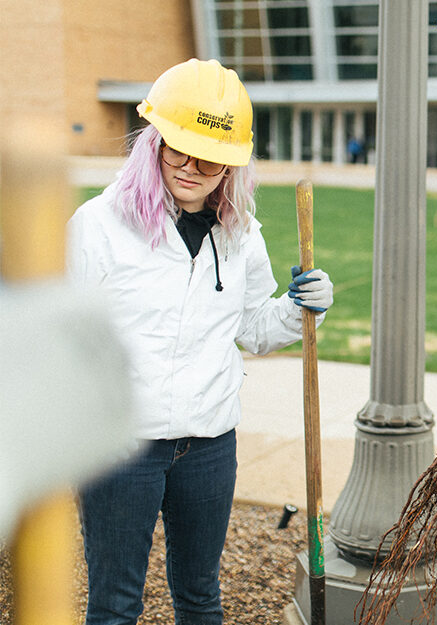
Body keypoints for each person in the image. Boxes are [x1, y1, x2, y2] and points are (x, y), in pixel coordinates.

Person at [67, 58, 334, 625]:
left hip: (209, 446)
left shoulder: (242, 237)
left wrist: (299, 308)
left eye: (210, 157)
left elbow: (254, 329)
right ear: (154, 143)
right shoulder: (98, 226)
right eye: (178, 148)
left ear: (231, 165)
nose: (191, 167)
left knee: (201, 597)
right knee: (114, 606)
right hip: (120, 448)